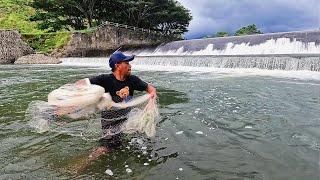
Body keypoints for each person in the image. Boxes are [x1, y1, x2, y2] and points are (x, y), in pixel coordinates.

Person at [76, 50, 157, 161]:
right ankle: (81, 164)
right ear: (118, 65)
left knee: (123, 145)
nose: (130, 66)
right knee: (108, 148)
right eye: (127, 63)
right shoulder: (105, 80)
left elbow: (150, 88)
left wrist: (152, 97)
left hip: (125, 120)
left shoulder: (133, 80)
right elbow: (81, 83)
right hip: (109, 122)